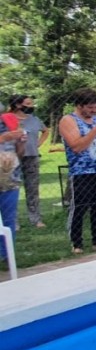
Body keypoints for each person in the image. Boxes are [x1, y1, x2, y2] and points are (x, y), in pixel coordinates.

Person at [59, 88, 96, 254]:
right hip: (82, 170)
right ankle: (76, 243)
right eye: (90, 108)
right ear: (79, 105)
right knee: (80, 206)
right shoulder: (69, 120)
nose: (94, 111)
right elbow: (77, 146)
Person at [9, 95, 49, 228]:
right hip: (12, 158)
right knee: (12, 189)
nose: (31, 106)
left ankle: (36, 219)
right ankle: (13, 221)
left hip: (31, 157)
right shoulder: (6, 119)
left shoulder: (34, 119)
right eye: (28, 104)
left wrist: (38, 144)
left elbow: (45, 131)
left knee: (32, 189)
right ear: (18, 105)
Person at [0, 106, 25, 261]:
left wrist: (21, 142)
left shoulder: (8, 122)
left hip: (10, 176)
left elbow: (19, 152)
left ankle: (7, 254)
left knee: (9, 217)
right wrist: (3, 138)